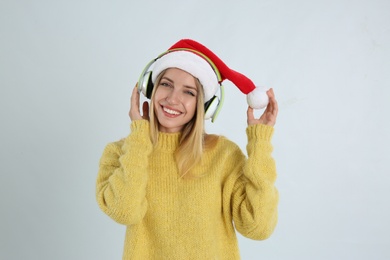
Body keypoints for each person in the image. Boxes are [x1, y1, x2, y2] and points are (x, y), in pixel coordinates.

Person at [96, 39, 279, 259]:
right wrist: (138, 138)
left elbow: (257, 227)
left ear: (204, 106)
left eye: (189, 92)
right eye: (166, 84)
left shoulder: (224, 155)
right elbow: (125, 211)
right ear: (149, 88)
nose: (173, 99)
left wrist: (260, 144)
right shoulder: (120, 152)